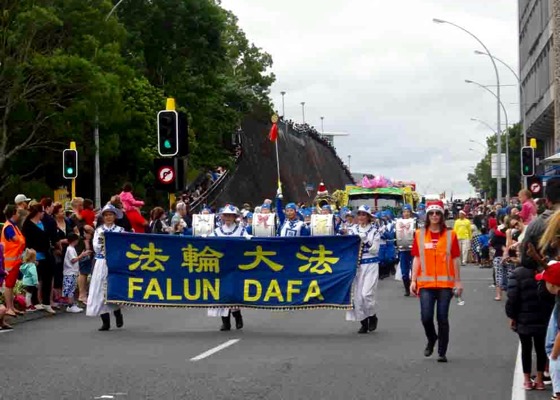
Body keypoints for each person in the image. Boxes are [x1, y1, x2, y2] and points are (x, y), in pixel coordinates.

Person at [410, 200, 462, 363]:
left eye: (437, 213)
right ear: (427, 215)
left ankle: (442, 351)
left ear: (442, 215)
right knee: (426, 317)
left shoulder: (450, 234)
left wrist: (458, 282)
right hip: (425, 284)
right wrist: (413, 280)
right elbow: (417, 258)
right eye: (431, 213)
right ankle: (432, 338)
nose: (434, 216)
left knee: (442, 318)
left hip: (445, 284)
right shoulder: (419, 234)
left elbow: (455, 259)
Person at [208, 204, 251, 331]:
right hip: (220, 267)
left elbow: (250, 243)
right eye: (225, 215)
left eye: (230, 216)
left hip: (235, 267)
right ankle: (225, 322)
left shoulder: (241, 231)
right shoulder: (216, 231)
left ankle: (237, 316)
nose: (227, 218)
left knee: (233, 292)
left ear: (234, 217)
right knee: (221, 294)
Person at [87, 204, 125, 331]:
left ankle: (117, 312)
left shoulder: (120, 230)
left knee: (113, 288)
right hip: (101, 262)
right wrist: (105, 243)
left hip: (115, 262)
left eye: (111, 215)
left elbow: (123, 246)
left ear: (115, 216)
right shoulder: (99, 230)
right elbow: (96, 247)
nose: (108, 217)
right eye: (106, 215)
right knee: (100, 290)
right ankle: (105, 321)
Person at [346, 205, 382, 333]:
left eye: (364, 214)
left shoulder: (374, 230)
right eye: (359, 214)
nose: (361, 217)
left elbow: (375, 250)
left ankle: (372, 316)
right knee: (357, 297)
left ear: (368, 217)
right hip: (356, 265)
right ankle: (363, 322)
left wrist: (365, 239)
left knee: (366, 294)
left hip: (370, 264)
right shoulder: (352, 229)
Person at [22, 204, 56, 314]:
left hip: (46, 254)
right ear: (38, 212)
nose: (43, 214)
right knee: (34, 279)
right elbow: (28, 242)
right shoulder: (27, 225)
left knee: (47, 278)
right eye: (42, 212)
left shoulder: (43, 223)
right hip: (35, 256)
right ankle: (34, 302)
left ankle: (46, 302)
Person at [1, 205, 26, 317]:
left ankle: (11, 307)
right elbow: (16, 240)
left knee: (11, 285)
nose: (18, 215)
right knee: (9, 285)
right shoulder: (9, 227)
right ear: (13, 214)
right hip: (9, 262)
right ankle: (8, 308)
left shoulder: (13, 226)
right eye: (17, 213)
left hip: (14, 261)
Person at [63, 233, 87, 313]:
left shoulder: (71, 248)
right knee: (70, 289)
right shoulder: (70, 249)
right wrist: (81, 255)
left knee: (72, 288)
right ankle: (70, 305)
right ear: (75, 240)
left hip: (72, 272)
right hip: (70, 272)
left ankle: (71, 304)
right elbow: (73, 260)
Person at [396, 205, 416, 296]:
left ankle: (414, 287)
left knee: (414, 269)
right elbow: (395, 235)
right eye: (404, 212)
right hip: (403, 250)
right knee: (404, 271)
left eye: (408, 211)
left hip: (413, 249)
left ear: (410, 213)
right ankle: (407, 289)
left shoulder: (415, 222)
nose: (406, 213)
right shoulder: (398, 222)